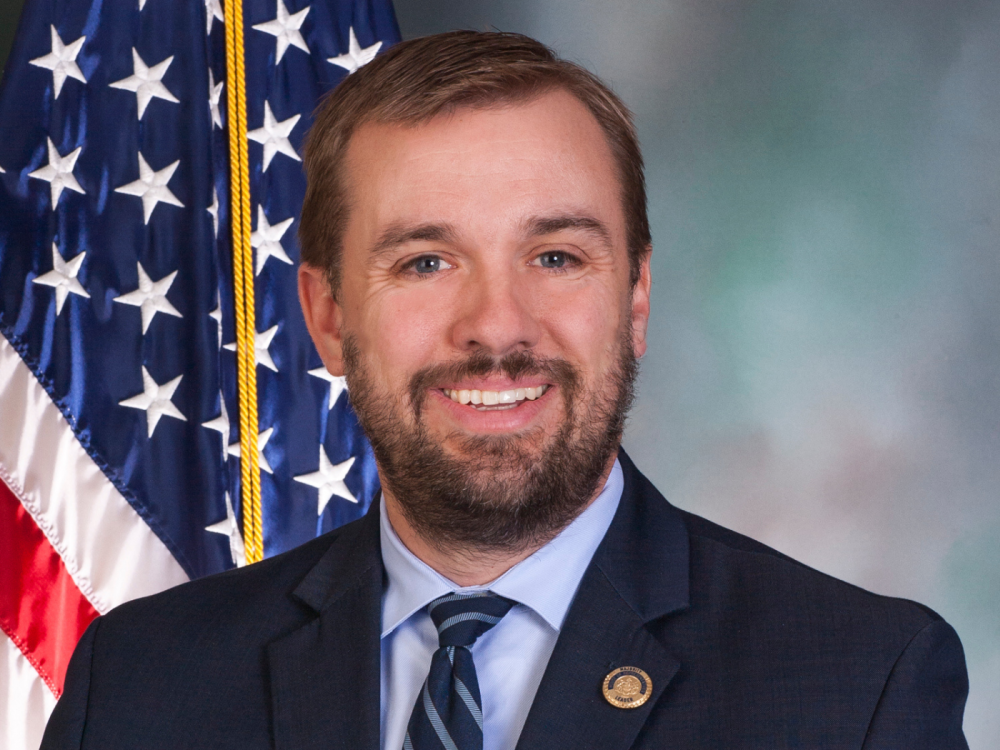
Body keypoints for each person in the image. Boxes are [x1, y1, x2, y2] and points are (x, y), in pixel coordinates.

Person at [42, 30, 969, 750]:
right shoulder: (140, 682)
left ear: (635, 299)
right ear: (326, 315)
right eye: (427, 261)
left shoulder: (859, 687)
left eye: (557, 256)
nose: (497, 325)